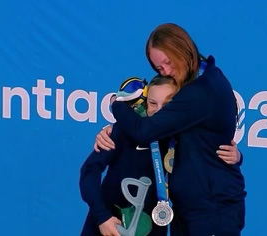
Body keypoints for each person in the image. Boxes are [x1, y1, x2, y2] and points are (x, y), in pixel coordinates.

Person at [105, 23, 247, 235]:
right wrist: (110, 131)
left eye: (168, 62)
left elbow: (144, 131)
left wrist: (117, 103)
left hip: (212, 211)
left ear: (183, 49)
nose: (167, 71)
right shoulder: (201, 78)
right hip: (191, 208)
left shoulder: (201, 91)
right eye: (160, 69)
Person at [79, 75, 241, 236]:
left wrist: (237, 156)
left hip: (153, 226)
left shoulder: (185, 138)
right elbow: (88, 172)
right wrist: (102, 217)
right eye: (153, 103)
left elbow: (214, 162)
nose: (159, 111)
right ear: (145, 102)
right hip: (108, 226)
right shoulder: (124, 131)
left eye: (168, 104)